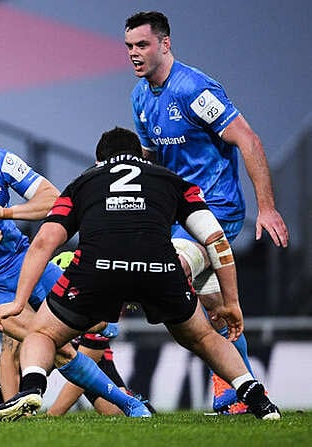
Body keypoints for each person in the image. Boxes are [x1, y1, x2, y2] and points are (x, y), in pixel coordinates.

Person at [0, 127, 281, 422]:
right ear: (142, 157)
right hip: (160, 269)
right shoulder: (173, 181)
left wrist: (19, 301)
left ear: (100, 161)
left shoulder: (82, 183)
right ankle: (256, 396)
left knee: (42, 332)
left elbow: (43, 242)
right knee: (203, 336)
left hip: (97, 271)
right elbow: (215, 239)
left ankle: (33, 387)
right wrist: (232, 302)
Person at [0, 109, 150, 417]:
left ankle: (10, 400)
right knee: (55, 346)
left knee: (101, 320)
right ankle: (129, 405)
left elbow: (53, 198)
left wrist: (5, 213)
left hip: (23, 261)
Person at [124, 11, 289, 414]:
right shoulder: (140, 97)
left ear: (165, 44)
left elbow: (248, 141)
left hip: (217, 211)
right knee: (215, 309)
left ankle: (227, 387)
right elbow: (150, 162)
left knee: (173, 266)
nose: (134, 54)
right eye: (129, 46)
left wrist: (265, 208)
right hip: (179, 216)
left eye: (142, 45)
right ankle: (241, 393)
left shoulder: (195, 89)